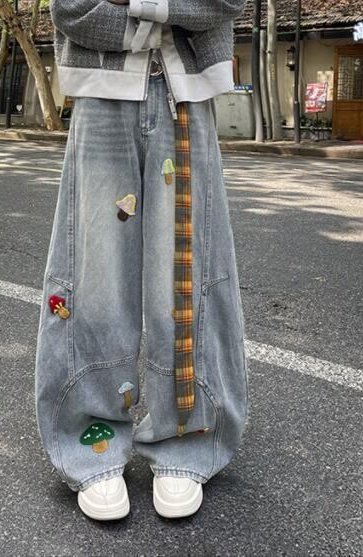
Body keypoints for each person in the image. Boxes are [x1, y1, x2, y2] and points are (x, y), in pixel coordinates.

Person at [35, 0, 249, 521]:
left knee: (189, 271)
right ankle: (92, 439)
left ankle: (186, 438)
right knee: (94, 273)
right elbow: (71, 8)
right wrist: (167, 13)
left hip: (187, 92)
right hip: (101, 94)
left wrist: (134, 6)